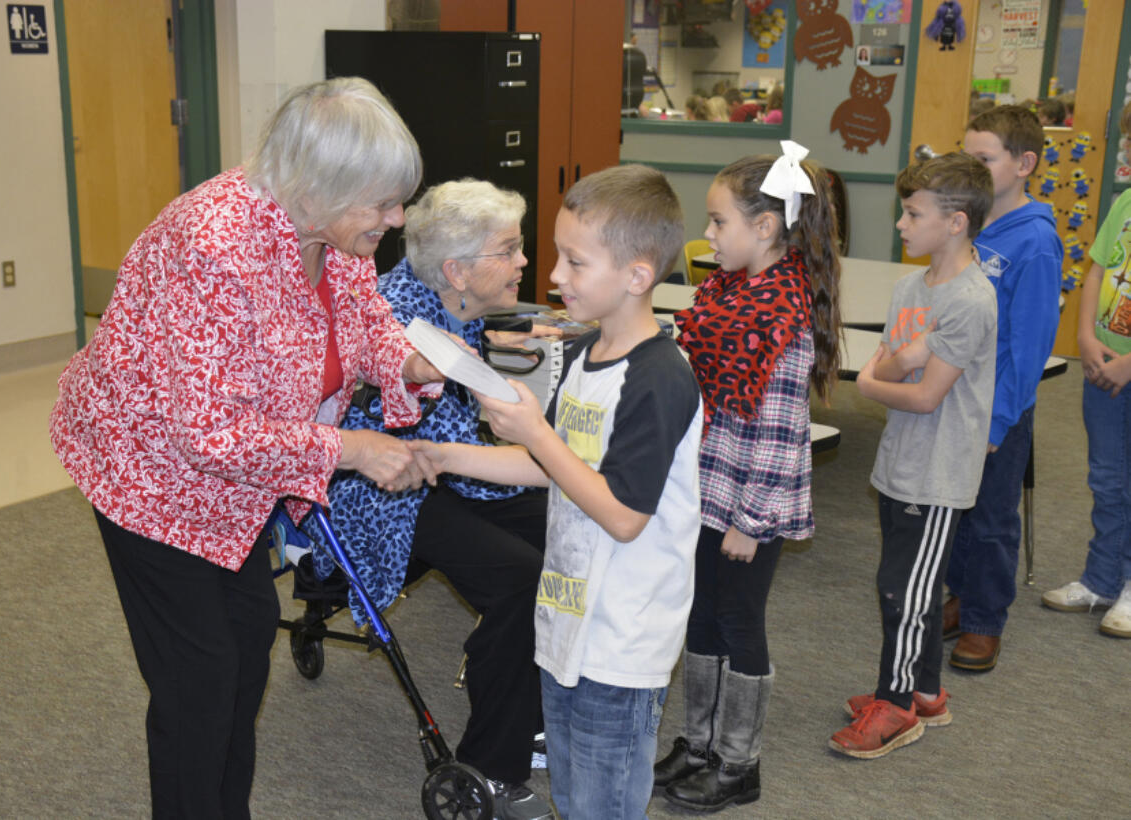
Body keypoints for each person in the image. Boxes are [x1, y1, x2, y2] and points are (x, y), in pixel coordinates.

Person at [49, 77, 444, 818]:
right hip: (148, 471)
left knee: (248, 633)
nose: (396, 219)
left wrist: (409, 365)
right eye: (382, 202)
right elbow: (208, 432)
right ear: (318, 186)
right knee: (198, 674)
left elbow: (365, 324)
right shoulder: (212, 245)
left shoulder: (335, 232)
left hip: (237, 478)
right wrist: (350, 449)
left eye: (400, 200)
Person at [412, 164, 702, 820]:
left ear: (637, 274)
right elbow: (556, 469)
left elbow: (624, 516)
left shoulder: (656, 379)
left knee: (601, 802)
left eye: (575, 262)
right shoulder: (587, 354)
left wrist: (536, 433)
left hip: (621, 639)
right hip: (572, 620)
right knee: (572, 795)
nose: (554, 277)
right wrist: (446, 455)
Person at [317, 178, 558, 820]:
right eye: (509, 250)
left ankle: (527, 705)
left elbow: (455, 433)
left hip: (446, 469)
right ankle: (490, 767)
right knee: (520, 579)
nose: (523, 262)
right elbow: (399, 440)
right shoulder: (401, 316)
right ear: (457, 270)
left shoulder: (451, 302)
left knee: (567, 525)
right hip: (381, 488)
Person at [655, 141, 842, 811]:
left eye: (717, 222)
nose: (706, 236)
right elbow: (698, 349)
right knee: (702, 614)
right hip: (711, 488)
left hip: (750, 502)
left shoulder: (782, 316)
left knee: (739, 621)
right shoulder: (731, 292)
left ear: (765, 227)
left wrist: (749, 520)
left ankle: (740, 762)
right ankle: (699, 742)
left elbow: (778, 430)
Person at [830, 152, 997, 759]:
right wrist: (896, 366)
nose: (900, 224)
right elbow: (890, 363)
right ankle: (926, 690)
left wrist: (884, 376)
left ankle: (896, 705)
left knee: (903, 589)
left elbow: (921, 392)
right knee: (906, 587)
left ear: (955, 222)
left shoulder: (971, 300)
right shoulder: (909, 287)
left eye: (912, 213)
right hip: (900, 463)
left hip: (938, 474)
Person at [943, 104, 1064, 671]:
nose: (971, 166)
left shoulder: (1034, 242)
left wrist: (1000, 418)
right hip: (954, 394)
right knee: (955, 509)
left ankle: (985, 621)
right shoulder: (968, 220)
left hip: (1000, 408)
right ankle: (961, 597)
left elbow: (1032, 343)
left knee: (991, 516)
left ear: (1024, 165)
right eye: (966, 155)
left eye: (983, 158)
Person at [1040, 100, 1131, 639]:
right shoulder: (1124, 204)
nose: (1125, 150)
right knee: (1106, 476)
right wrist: (1085, 339)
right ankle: (1102, 578)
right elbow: (1096, 270)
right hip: (1103, 363)